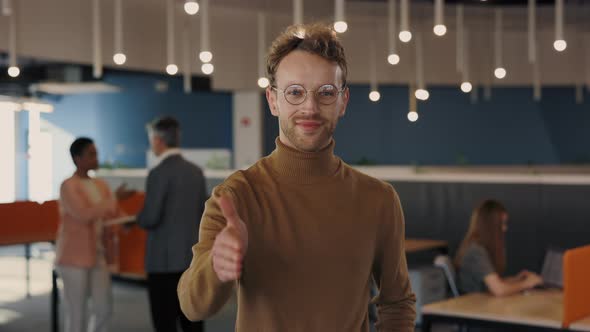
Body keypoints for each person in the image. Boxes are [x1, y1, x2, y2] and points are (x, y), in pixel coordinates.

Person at [178, 23, 416, 331]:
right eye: (295, 93)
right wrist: (216, 266)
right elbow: (192, 307)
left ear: (343, 101)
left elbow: (397, 303)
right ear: (273, 100)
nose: (310, 107)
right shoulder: (235, 196)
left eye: (326, 93)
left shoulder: (379, 199)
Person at [137, 116, 207, 332]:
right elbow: (202, 214)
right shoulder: (196, 172)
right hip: (191, 260)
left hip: (163, 262)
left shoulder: (158, 173)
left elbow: (151, 217)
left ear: (158, 140)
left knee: (165, 322)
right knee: (192, 320)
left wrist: (137, 219)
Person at [56, 137, 126, 332]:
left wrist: (126, 222)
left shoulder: (101, 184)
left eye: (96, 153)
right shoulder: (68, 185)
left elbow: (112, 212)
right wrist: (114, 199)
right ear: (77, 158)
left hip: (98, 254)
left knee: (104, 308)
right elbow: (84, 214)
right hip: (73, 257)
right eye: (91, 154)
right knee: (77, 312)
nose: (96, 158)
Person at [454, 199, 543, 296]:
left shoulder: (478, 246)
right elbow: (499, 290)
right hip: (473, 306)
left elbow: (493, 282)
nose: (505, 228)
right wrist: (527, 283)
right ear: (491, 226)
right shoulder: (476, 251)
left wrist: (516, 280)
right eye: (502, 224)